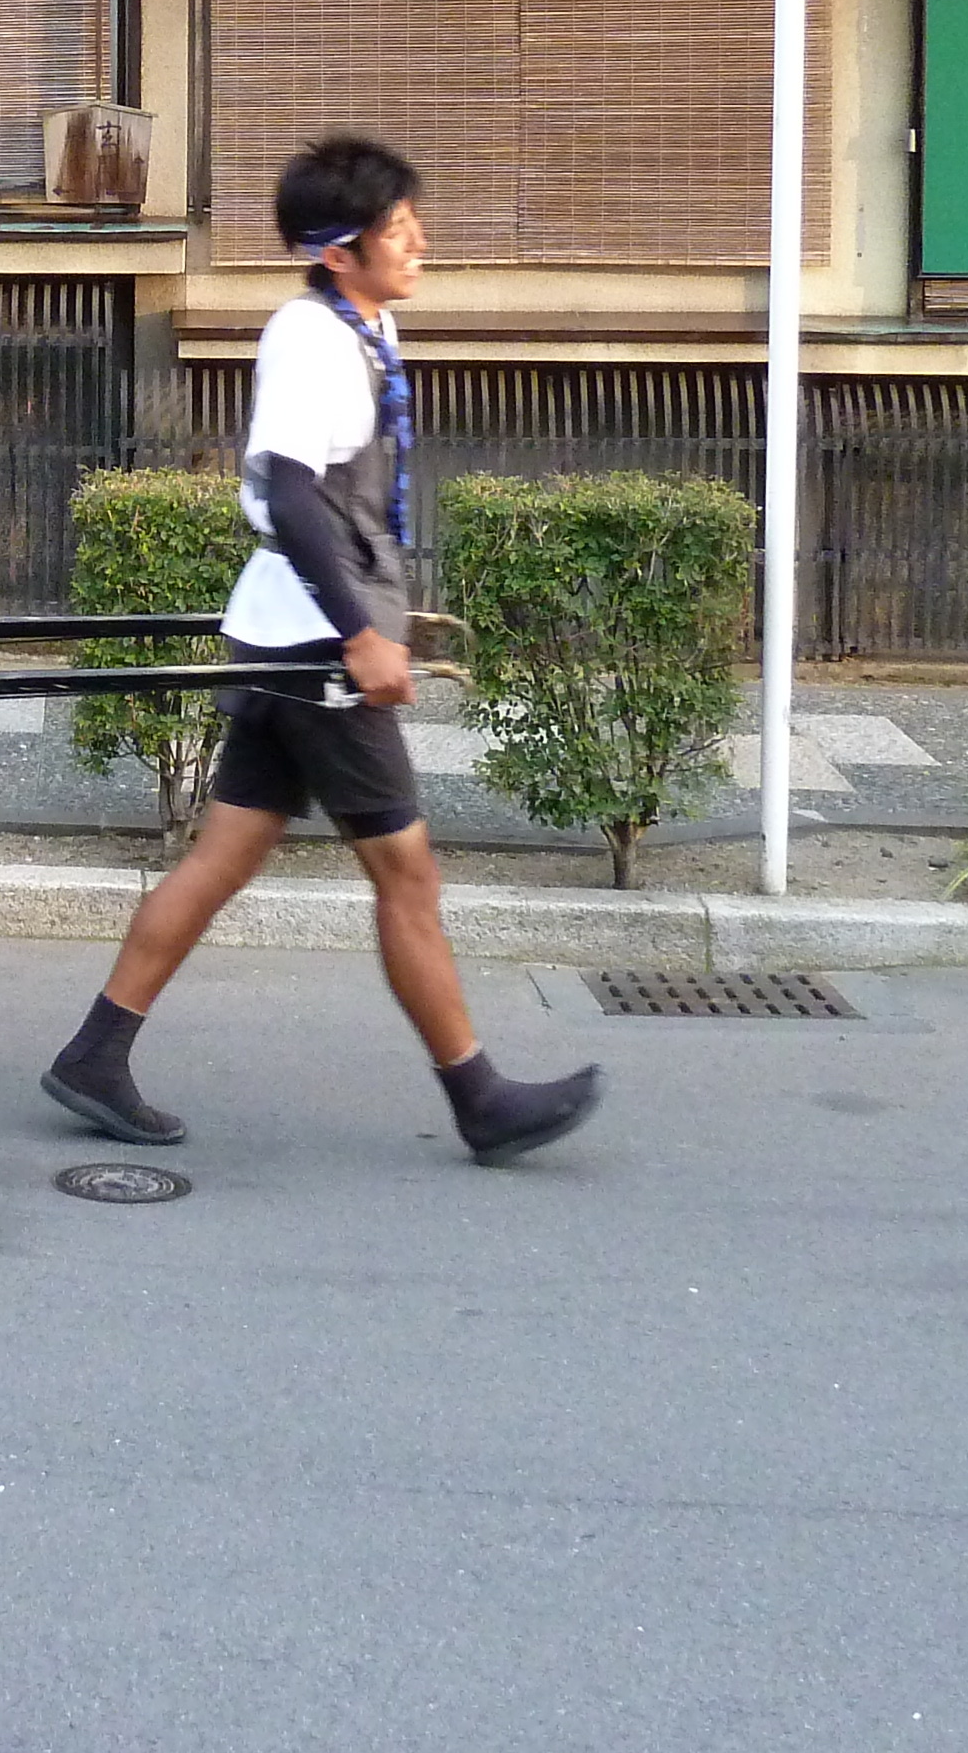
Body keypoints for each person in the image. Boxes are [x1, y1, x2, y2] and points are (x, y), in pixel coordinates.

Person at [41, 134, 603, 1166]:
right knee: (407, 874)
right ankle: (478, 1097)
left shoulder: (358, 329)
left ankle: (94, 1054)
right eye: (398, 228)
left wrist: (391, 618)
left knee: (221, 858)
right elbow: (293, 492)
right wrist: (356, 635)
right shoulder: (313, 338)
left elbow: (337, 509)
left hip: (291, 635)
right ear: (339, 249)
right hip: (311, 652)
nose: (418, 239)